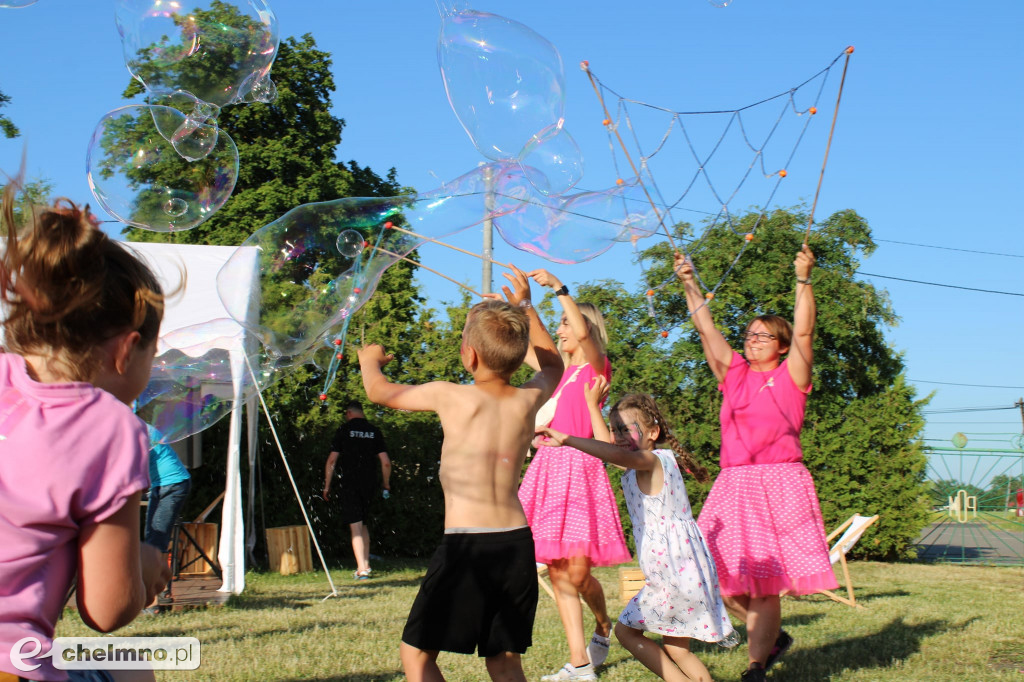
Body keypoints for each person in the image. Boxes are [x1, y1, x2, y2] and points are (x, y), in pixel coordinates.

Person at [357, 264, 563, 682]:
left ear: (468, 355)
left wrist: (369, 360)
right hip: (515, 545)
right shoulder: (527, 399)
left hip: (465, 547)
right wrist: (525, 307)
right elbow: (554, 365)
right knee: (503, 661)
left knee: (417, 656)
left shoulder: (448, 396)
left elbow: (378, 391)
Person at [0, 181, 171, 682]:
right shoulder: (111, 426)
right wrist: (142, 565)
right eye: (152, 355)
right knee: (133, 671)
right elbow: (108, 610)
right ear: (127, 348)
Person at [675, 246, 837, 682]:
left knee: (765, 584)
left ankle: (755, 667)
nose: (752, 339)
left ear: (782, 347)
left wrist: (803, 278)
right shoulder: (734, 374)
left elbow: (805, 332)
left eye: (763, 336)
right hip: (735, 485)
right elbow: (706, 330)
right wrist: (689, 282)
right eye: (749, 333)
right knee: (712, 573)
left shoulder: (792, 376)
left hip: (779, 483)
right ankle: (773, 638)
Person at [537, 387, 735, 682]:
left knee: (627, 632)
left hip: (675, 572)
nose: (618, 435)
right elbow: (610, 449)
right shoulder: (638, 463)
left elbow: (613, 452)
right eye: (615, 429)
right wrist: (593, 407)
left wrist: (566, 438)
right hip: (676, 571)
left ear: (653, 431)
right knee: (677, 650)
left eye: (626, 428)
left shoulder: (653, 461)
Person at [517, 269, 631, 681]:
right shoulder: (560, 374)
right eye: (562, 322)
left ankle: (603, 624)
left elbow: (582, 335)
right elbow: (538, 345)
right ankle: (579, 663)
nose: (561, 329)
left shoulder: (598, 369)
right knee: (559, 571)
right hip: (547, 469)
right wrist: (524, 305)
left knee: (579, 573)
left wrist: (559, 290)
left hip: (581, 469)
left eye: (566, 322)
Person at [322, 400, 392, 580]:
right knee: (364, 524)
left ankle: (361, 569)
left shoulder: (343, 431)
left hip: (350, 483)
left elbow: (331, 461)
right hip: (370, 484)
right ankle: (366, 564)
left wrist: (327, 486)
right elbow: (385, 462)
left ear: (349, 413)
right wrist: (386, 483)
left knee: (355, 527)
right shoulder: (374, 431)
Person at [144, 425, 192, 608]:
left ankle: (158, 597)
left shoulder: (138, 430)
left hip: (174, 484)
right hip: (158, 485)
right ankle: (158, 593)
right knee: (152, 538)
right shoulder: (128, 426)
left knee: (156, 539)